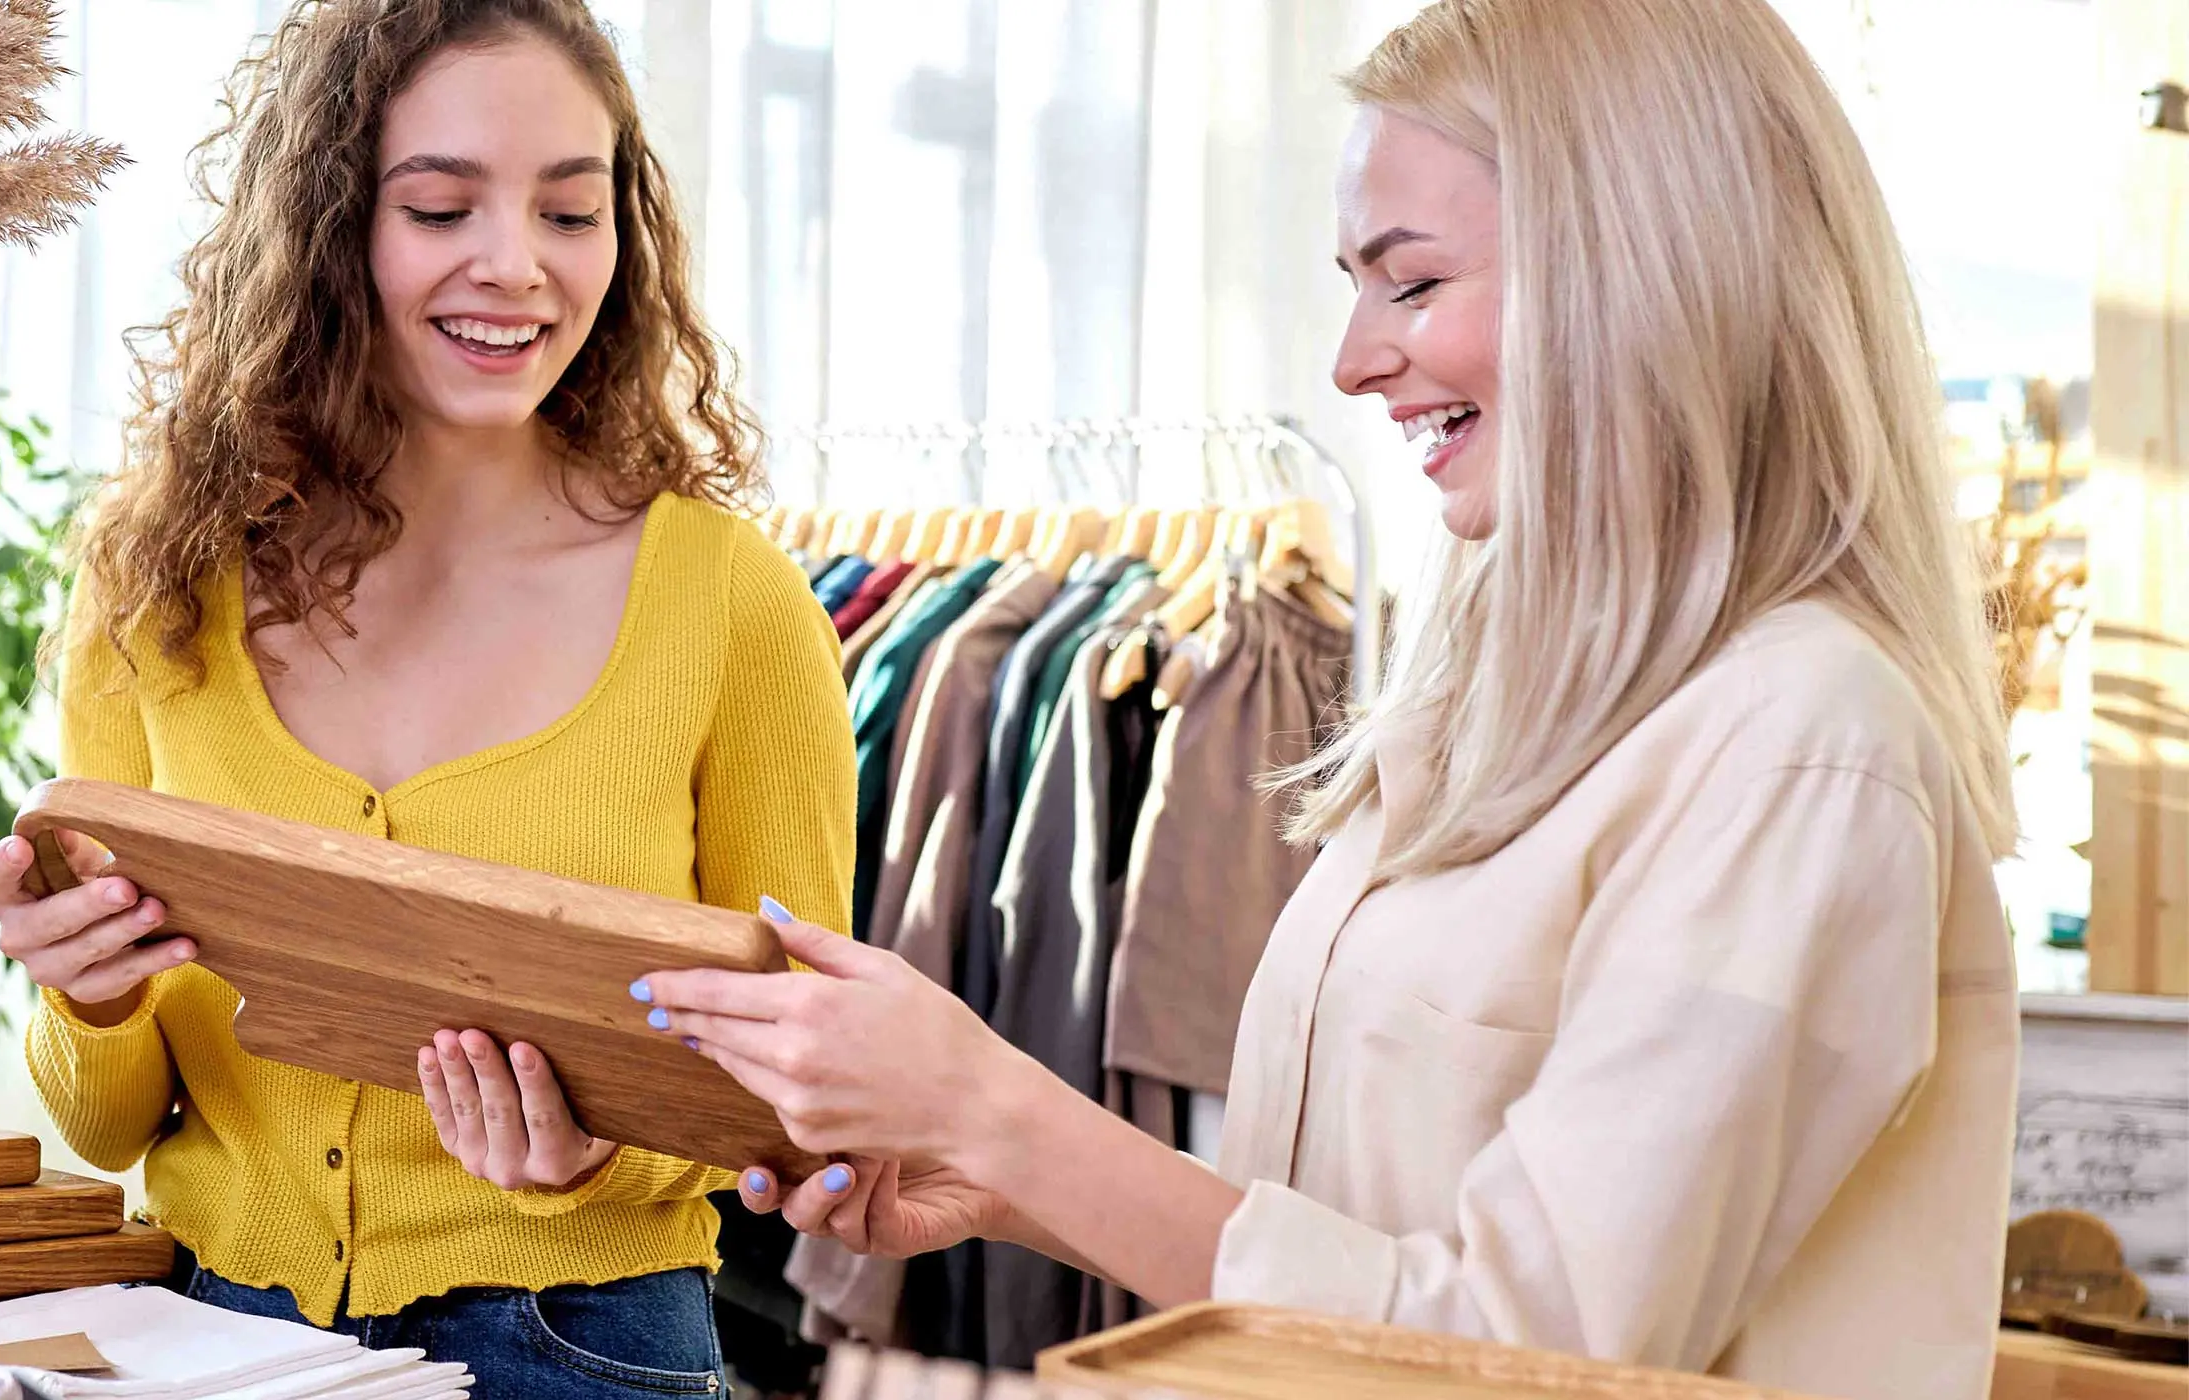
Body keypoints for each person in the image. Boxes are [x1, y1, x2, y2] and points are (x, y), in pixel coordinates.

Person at [628, 1, 2022, 1396]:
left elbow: (1526, 1349)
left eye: (1410, 285)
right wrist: (1002, 1179)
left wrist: (1003, 1119)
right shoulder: (1499, 712)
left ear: (1644, 275)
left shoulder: (1804, 748)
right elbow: (1351, 1242)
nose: (1354, 362)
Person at [0, 1, 849, 1393]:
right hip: (215, 1337)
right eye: (442, 208)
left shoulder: (733, 607)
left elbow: (797, 1082)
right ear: (328, 236)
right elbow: (108, 1124)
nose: (517, 268)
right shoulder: (156, 593)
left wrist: (601, 1148)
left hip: (588, 1349)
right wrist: (83, 998)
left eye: (572, 214)